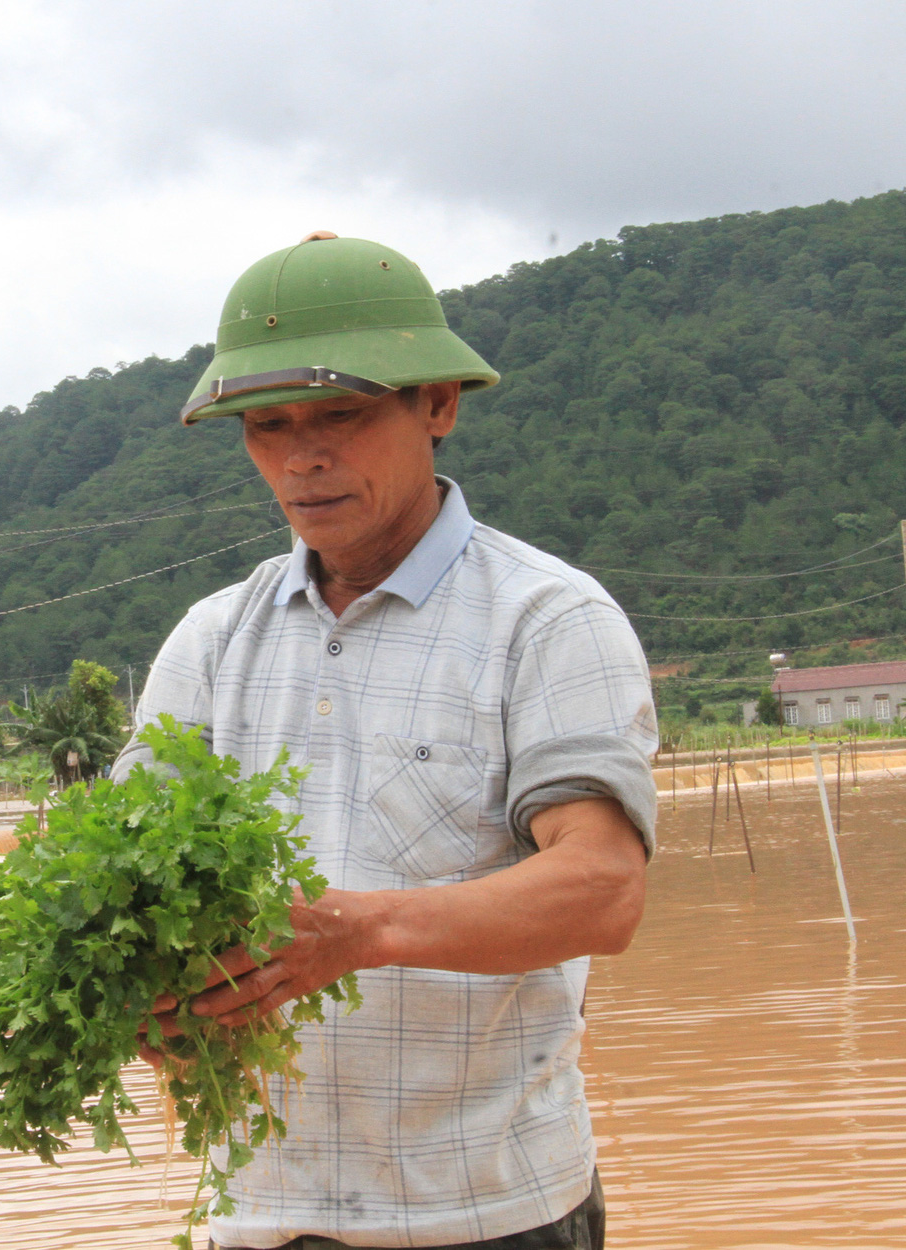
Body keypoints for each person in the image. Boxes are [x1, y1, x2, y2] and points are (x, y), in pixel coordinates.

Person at [116, 232, 658, 1250]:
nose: (301, 456)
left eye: (340, 415)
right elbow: (134, 889)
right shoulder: (210, 641)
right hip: (258, 1218)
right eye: (266, 426)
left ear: (437, 405)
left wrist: (356, 933)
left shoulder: (545, 619)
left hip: (486, 1214)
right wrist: (150, 1004)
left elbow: (601, 886)